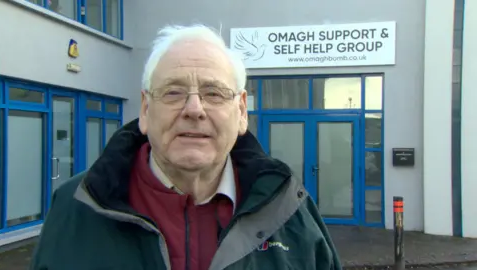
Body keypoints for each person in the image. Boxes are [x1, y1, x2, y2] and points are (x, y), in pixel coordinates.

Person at [30, 24, 342, 270]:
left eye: (214, 93)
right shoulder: (75, 207)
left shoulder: (290, 210)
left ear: (242, 111)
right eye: (173, 92)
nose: (194, 109)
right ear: (145, 109)